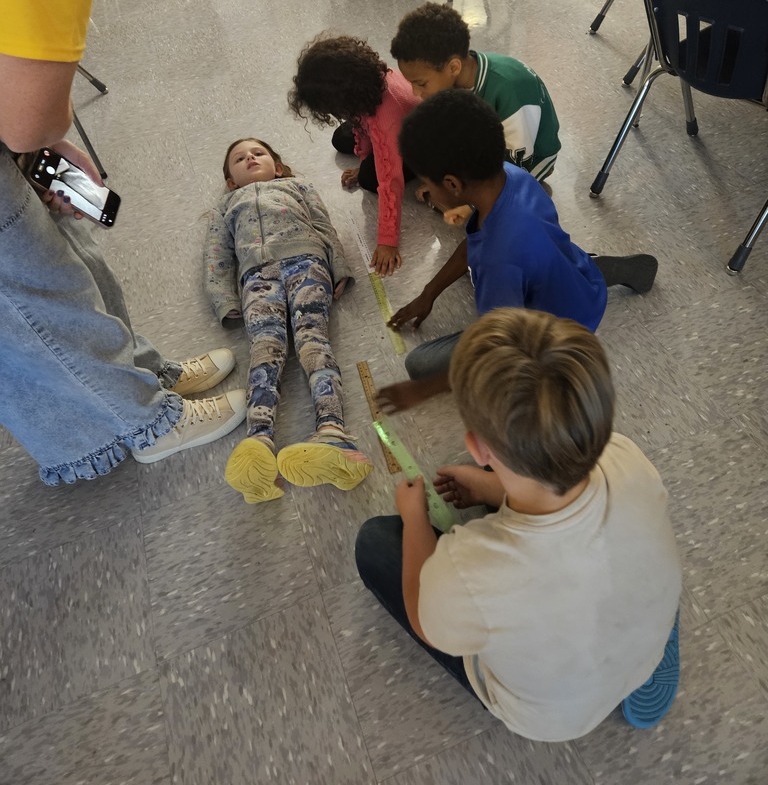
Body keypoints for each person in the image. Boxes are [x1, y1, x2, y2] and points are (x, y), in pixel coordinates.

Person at [0, 0, 270, 484]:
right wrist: (42, 136)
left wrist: (45, 141)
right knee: (28, 289)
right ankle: (138, 422)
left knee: (67, 251)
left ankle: (142, 374)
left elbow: (24, 119)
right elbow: (24, 121)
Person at [356, 307, 683, 740]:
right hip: (642, 647)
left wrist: (415, 518)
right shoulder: (625, 454)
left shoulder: (468, 568)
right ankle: (637, 633)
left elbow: (424, 623)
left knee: (374, 542)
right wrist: (493, 491)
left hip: (555, 720)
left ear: (477, 447)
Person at [378, 91, 658, 411]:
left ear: (454, 185)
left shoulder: (499, 262)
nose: (424, 191)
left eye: (426, 183)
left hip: (552, 339)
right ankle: (610, 270)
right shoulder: (513, 176)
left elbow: (498, 346)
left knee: (419, 364)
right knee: (552, 263)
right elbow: (475, 242)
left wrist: (423, 391)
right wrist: (429, 293)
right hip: (575, 275)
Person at [206, 138, 372, 504]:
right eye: (239, 158)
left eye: (258, 153)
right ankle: (258, 440)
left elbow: (324, 226)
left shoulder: (298, 186)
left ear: (277, 167)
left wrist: (338, 267)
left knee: (313, 340)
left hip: (306, 261)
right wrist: (224, 300)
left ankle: (333, 432)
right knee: (265, 349)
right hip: (257, 277)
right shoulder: (227, 204)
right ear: (231, 181)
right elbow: (217, 254)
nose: (250, 157)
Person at [390, 2, 561, 224]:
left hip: (531, 157)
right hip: (488, 145)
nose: (415, 92)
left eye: (421, 83)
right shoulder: (460, 73)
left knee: (491, 216)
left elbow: (517, 162)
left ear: (453, 67)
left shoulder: (511, 89)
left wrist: (470, 205)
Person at [288, 34, 421, 277]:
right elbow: (363, 124)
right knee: (341, 137)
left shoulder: (385, 120)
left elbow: (390, 181)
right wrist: (365, 154)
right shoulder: (369, 83)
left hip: (418, 144)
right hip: (385, 120)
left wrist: (387, 240)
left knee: (372, 178)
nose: (333, 113)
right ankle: (368, 161)